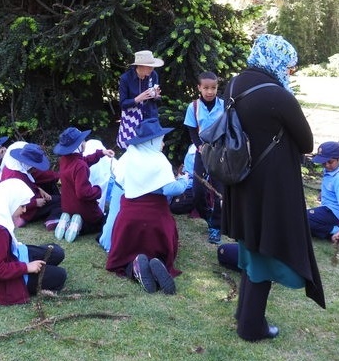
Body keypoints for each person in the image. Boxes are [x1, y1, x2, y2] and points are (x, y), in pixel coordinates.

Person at [221, 33, 325, 342]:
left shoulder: (236, 83)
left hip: (241, 180)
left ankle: (245, 314)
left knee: (251, 247)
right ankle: (252, 327)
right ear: (276, 60)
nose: (289, 73)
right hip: (269, 188)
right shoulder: (278, 96)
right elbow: (306, 142)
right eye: (289, 67)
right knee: (264, 252)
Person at [106, 117, 189, 294]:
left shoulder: (128, 156)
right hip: (156, 219)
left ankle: (133, 266)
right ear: (152, 140)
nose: (163, 143)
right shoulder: (159, 160)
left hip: (129, 219)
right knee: (163, 241)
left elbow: (119, 180)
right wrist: (184, 181)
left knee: (124, 255)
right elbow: (170, 189)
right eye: (160, 139)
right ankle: (157, 262)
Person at [0, 178, 67, 305]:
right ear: (11, 202)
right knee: (60, 276)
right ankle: (37, 273)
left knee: (57, 252)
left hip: (12, 255)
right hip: (1, 280)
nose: (24, 210)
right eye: (22, 206)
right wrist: (26, 267)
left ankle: (40, 267)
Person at [53, 127, 115, 242]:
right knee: (102, 221)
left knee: (83, 214)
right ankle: (80, 227)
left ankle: (68, 221)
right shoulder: (80, 165)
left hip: (67, 206)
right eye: (83, 141)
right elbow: (83, 193)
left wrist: (101, 153)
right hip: (83, 209)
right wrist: (97, 190)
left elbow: (84, 161)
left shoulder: (65, 160)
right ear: (78, 145)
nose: (85, 143)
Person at [183, 71, 225, 243]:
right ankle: (208, 217)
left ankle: (216, 226)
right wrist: (199, 146)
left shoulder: (223, 105)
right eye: (206, 88)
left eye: (213, 88)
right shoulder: (193, 107)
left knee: (219, 191)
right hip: (202, 153)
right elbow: (192, 130)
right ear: (199, 88)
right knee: (198, 190)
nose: (210, 91)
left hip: (219, 154)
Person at [0, 141, 62, 230]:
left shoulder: (14, 167)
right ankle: (52, 220)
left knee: (55, 198)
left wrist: (39, 189)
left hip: (30, 202)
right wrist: (35, 203)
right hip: (25, 211)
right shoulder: (15, 176)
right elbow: (13, 201)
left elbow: (28, 182)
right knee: (60, 201)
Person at [117, 50, 163, 149]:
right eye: (149, 66)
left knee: (152, 147)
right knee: (133, 148)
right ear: (140, 66)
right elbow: (122, 103)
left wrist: (156, 96)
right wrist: (137, 99)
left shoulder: (154, 75)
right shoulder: (125, 79)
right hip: (132, 121)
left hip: (150, 117)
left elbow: (158, 99)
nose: (152, 68)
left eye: (153, 66)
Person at [307, 141, 339, 239]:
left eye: (330, 162)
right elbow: (330, 186)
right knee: (305, 226)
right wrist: (323, 193)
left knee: (304, 218)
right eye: (323, 162)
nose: (326, 165)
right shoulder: (330, 171)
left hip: (334, 213)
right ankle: (330, 235)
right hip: (327, 209)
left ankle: (335, 230)